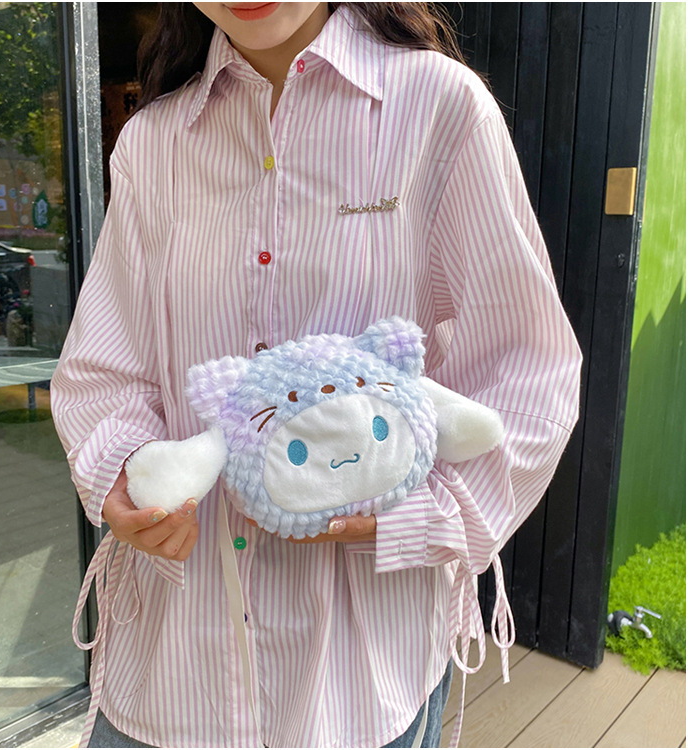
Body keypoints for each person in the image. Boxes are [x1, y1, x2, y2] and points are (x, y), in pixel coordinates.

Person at [51, 3, 582, 748]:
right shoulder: (153, 143)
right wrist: (125, 475)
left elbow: (529, 370)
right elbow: (106, 365)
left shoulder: (441, 109)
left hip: (358, 680)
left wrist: (417, 518)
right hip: (172, 671)